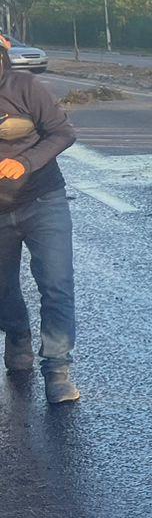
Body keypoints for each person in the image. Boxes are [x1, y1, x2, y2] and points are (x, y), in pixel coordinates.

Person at [0, 49, 79, 404]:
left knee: (56, 284)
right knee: (2, 290)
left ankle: (57, 370)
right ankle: (17, 336)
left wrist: (25, 162)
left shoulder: (25, 86)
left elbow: (62, 133)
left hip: (43, 200)